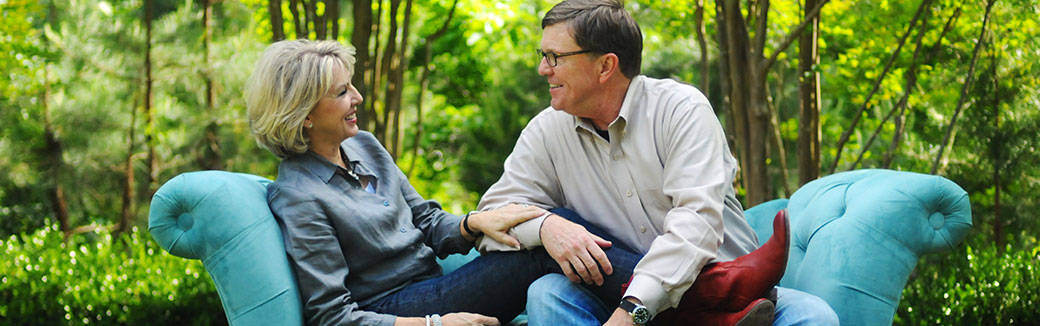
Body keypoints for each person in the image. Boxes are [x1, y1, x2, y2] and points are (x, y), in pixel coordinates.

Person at [474, 0, 840, 325]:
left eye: (555, 57)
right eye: (542, 55)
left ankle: (714, 306)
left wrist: (632, 312)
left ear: (605, 66)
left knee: (814, 316)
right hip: (612, 297)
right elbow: (492, 216)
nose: (543, 69)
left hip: (737, 300)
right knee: (547, 292)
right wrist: (545, 228)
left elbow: (695, 222)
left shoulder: (681, 109)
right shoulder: (546, 131)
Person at [246, 39, 562, 326]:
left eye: (351, 86)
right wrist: (434, 324)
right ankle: (617, 308)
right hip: (393, 307)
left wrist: (474, 222)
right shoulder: (298, 195)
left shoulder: (365, 146)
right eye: (342, 92)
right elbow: (331, 316)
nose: (357, 97)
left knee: (557, 227)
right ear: (305, 115)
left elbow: (426, 220)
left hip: (435, 285)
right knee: (546, 247)